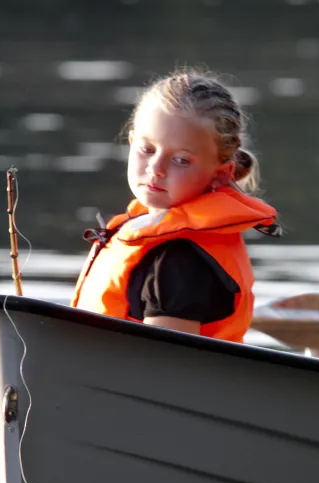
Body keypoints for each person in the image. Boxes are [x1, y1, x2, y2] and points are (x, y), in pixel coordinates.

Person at [72, 70, 279, 341]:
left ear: (221, 174)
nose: (156, 168)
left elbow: (164, 371)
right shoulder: (153, 232)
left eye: (181, 160)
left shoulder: (180, 263)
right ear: (132, 142)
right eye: (147, 150)